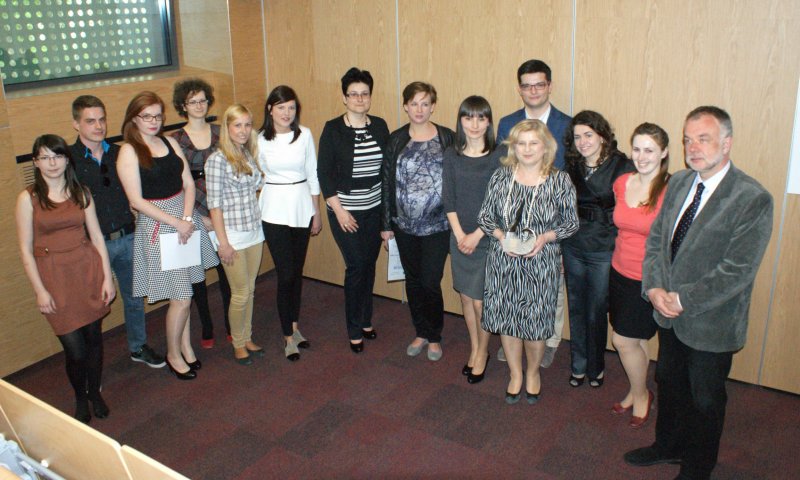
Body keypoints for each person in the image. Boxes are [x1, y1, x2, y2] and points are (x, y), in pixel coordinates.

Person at [624, 107, 773, 480]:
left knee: (705, 398)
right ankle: (668, 445)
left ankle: (698, 467)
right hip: (668, 313)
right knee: (669, 383)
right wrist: (654, 287)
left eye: (703, 139)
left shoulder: (752, 197)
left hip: (712, 322)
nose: (693, 148)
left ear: (727, 143)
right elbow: (657, 241)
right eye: (688, 140)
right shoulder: (678, 182)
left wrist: (682, 299)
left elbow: (737, 270)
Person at [117, 91, 219, 380]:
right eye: (146, 116)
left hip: (183, 219)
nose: (153, 121)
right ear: (134, 118)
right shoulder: (129, 151)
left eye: (158, 116)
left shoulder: (170, 142)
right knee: (181, 297)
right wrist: (176, 222)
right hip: (158, 225)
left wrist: (186, 219)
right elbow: (136, 201)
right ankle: (173, 354)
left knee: (184, 289)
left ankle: (185, 346)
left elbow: (188, 184)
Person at [16, 134, 116, 423]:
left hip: (87, 270)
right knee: (75, 350)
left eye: (57, 156)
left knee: (94, 340)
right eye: (45, 157)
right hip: (54, 278)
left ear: (66, 159)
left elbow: (97, 236)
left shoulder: (81, 192)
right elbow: (25, 250)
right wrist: (40, 290)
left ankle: (94, 392)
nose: (52, 163)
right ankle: (80, 397)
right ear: (36, 162)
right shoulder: (28, 198)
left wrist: (107, 278)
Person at [478, 120, 577, 404]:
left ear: (546, 146)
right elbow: (485, 217)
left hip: (540, 264)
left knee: (535, 325)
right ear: (513, 147)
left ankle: (532, 372)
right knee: (508, 321)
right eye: (521, 143)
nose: (527, 149)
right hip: (503, 262)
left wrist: (546, 237)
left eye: (534, 143)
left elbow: (571, 223)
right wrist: (501, 237)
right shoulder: (501, 177)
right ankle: (515, 374)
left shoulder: (560, 180)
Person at [70, 95, 165, 369]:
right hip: (92, 244)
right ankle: (91, 366)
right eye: (90, 121)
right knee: (94, 306)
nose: (98, 126)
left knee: (134, 297)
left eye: (102, 119)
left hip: (128, 236)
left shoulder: (120, 153)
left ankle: (138, 346)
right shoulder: (69, 160)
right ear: (76, 124)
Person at [496, 59, 572, 368]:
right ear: (520, 89)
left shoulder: (567, 125)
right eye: (527, 86)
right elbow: (503, 169)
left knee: (550, 285)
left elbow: (571, 175)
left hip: (551, 219)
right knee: (516, 281)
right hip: (516, 218)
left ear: (549, 86)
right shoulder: (507, 123)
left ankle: (550, 339)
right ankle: (516, 334)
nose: (534, 91)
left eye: (540, 84)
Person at [381, 82, 455, 361]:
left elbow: (456, 179)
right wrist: (386, 224)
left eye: (425, 103)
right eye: (414, 103)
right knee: (412, 281)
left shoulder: (447, 137)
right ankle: (421, 331)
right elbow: (386, 182)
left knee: (430, 281)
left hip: (438, 226)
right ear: (405, 106)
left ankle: (434, 336)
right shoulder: (396, 139)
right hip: (404, 226)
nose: (419, 109)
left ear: (433, 106)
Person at [317, 67, 389, 354]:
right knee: (356, 266)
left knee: (369, 265)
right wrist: (340, 211)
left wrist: (386, 216)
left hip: (374, 210)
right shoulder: (333, 129)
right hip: (345, 211)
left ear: (370, 96)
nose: (359, 99)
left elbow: (386, 171)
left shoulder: (379, 126)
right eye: (354, 94)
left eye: (364, 94)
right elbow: (324, 174)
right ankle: (354, 328)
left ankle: (366, 319)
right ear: (344, 98)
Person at [562, 110, 633, 388]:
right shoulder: (572, 165)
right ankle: (578, 365)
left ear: (602, 136)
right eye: (577, 137)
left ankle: (596, 366)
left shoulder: (622, 165)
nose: (583, 142)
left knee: (596, 308)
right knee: (576, 306)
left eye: (588, 135)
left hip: (604, 247)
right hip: (573, 244)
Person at [609, 123, 671, 428]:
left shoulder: (671, 189)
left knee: (622, 340)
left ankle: (641, 394)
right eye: (637, 149)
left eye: (650, 150)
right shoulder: (622, 182)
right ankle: (637, 390)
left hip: (649, 279)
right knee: (636, 340)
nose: (642, 156)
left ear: (664, 152)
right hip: (619, 272)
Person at [257, 86, 322, 362]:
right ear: (270, 109)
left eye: (291, 107)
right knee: (285, 274)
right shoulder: (259, 139)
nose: (287, 113)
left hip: (301, 206)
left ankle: (295, 328)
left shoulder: (304, 134)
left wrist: (316, 211)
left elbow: (312, 173)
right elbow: (254, 176)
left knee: (296, 272)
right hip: (274, 209)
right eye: (281, 107)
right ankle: (286, 336)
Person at [442, 96, 503, 381]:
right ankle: (475, 347)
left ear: (489, 121)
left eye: (481, 118)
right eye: (468, 118)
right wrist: (459, 235)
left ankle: (483, 351)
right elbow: (449, 197)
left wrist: (477, 235)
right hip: (459, 237)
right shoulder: (451, 154)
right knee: (466, 298)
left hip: (486, 238)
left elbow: (501, 202)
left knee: (481, 302)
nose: (475, 124)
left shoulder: (500, 155)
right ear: (461, 121)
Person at [171, 78, 232, 349]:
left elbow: (232, 172)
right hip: (192, 213)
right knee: (197, 278)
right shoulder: (175, 140)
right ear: (183, 106)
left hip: (223, 209)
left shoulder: (222, 132)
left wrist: (219, 216)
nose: (198, 106)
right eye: (192, 101)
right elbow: (177, 185)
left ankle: (231, 323)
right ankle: (206, 325)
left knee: (227, 271)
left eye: (203, 100)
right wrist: (198, 218)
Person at [206, 104, 266, 366]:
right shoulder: (217, 160)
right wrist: (223, 243)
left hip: (253, 230)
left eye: (247, 125)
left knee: (250, 290)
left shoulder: (247, 153)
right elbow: (214, 206)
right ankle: (238, 344)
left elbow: (257, 187)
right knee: (240, 292)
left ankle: (247, 337)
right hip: (231, 235)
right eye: (237, 125)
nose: (243, 130)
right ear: (227, 128)